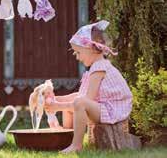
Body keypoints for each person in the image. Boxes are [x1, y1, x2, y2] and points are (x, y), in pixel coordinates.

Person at [44, 20, 133, 154]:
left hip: (113, 111)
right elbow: (81, 97)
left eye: (78, 52)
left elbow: (86, 101)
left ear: (91, 49)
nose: (77, 57)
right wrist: (57, 99)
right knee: (76, 101)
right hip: (103, 106)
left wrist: (58, 106)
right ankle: (65, 139)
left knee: (79, 103)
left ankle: (76, 145)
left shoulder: (99, 68)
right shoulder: (96, 67)